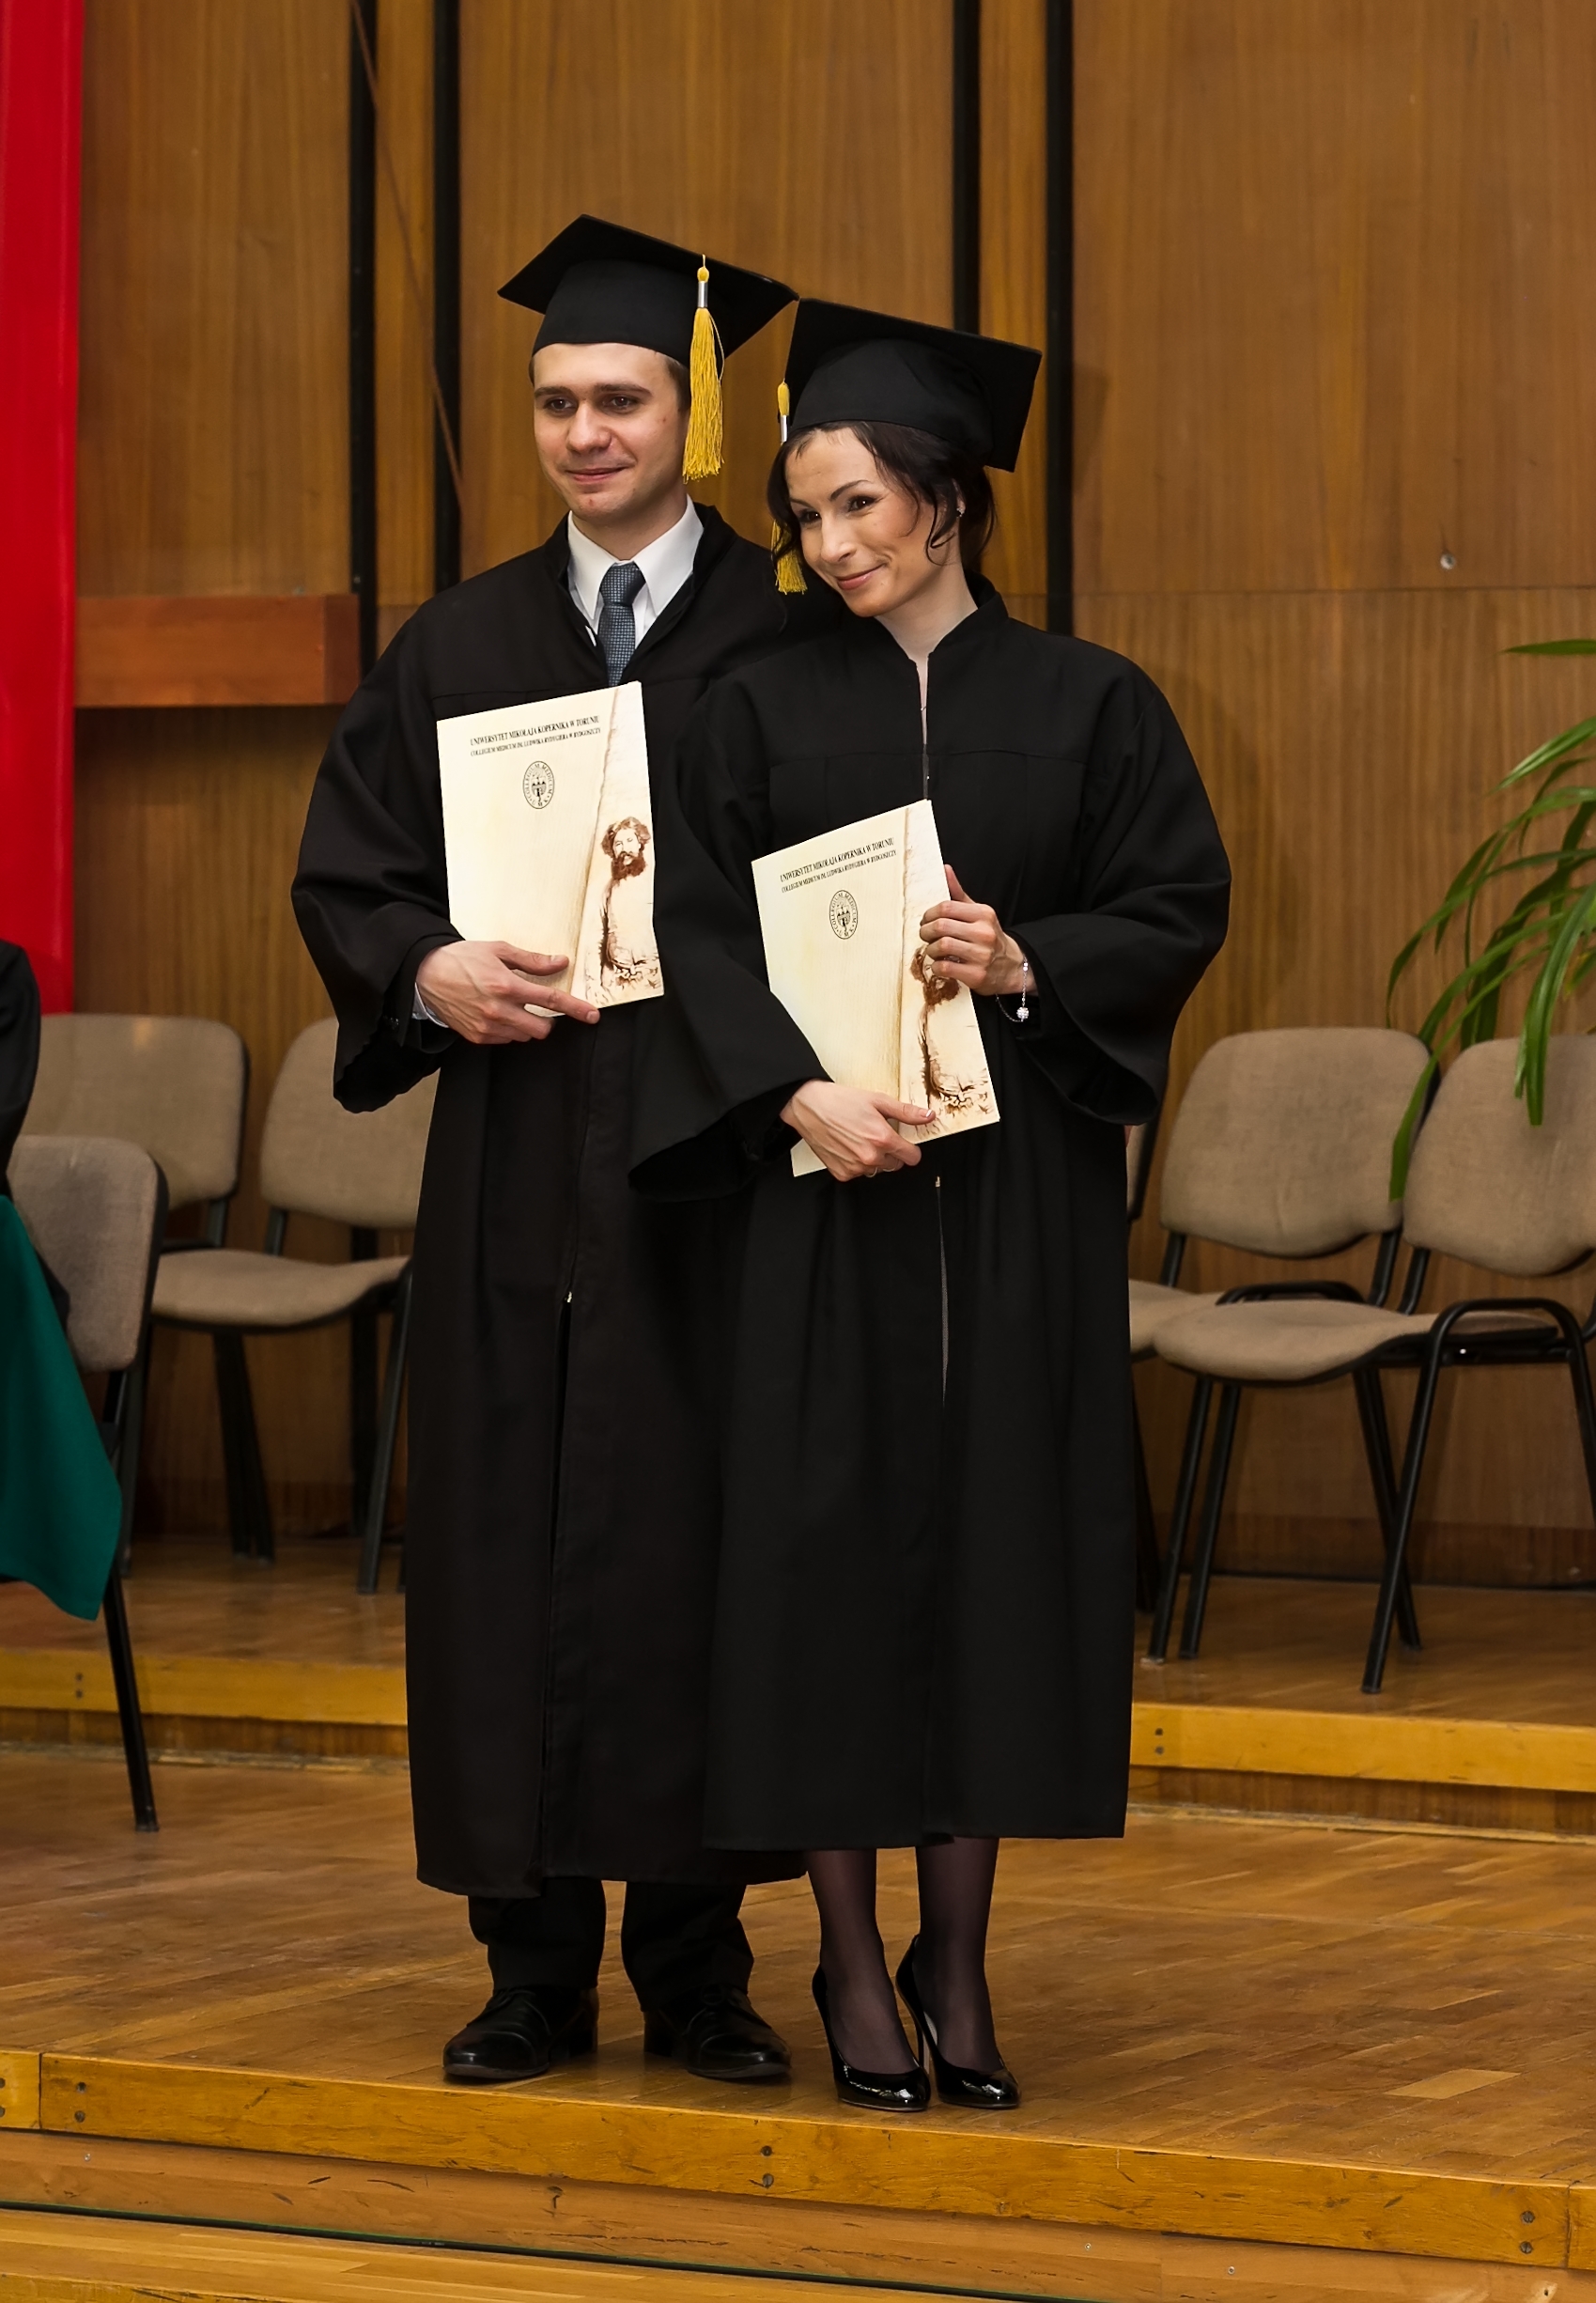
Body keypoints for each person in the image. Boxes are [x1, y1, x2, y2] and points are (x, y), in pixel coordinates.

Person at [634, 301, 1231, 2111]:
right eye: (807, 516)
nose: (830, 547)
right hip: (825, 1198)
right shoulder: (755, 710)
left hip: (1012, 1199)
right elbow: (690, 932)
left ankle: (954, 1960)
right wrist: (792, 1088)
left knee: (991, 1558)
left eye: (861, 507)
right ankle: (845, 1961)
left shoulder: (1090, 703)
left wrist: (1029, 957)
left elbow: (1174, 903)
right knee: (821, 1567)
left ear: (948, 500)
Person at [293, 220, 839, 2090]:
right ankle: (528, 1967)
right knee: (503, 1547)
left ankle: (699, 1966)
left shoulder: (792, 628)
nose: (584, 432)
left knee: (699, 1550)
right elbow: (350, 870)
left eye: (620, 398)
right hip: (517, 1160)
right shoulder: (459, 638)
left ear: (696, 417)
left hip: (711, 1168)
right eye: (553, 402)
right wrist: (425, 969)